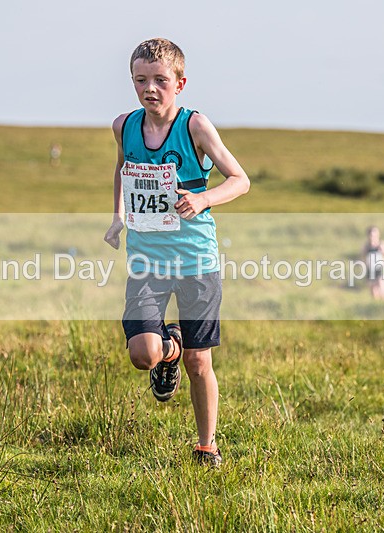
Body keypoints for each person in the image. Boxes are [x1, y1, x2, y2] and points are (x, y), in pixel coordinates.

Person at [103, 38, 250, 467]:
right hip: (147, 258)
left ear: (180, 83)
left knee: (199, 361)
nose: (150, 89)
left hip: (196, 259)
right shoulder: (124, 126)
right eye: (140, 80)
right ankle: (168, 348)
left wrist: (204, 200)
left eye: (160, 81)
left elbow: (240, 180)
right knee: (142, 354)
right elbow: (122, 169)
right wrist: (117, 217)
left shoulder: (196, 128)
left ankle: (207, 447)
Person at [362, 226, 384, 300]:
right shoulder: (366, 247)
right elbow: (363, 258)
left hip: (380, 268)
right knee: (374, 292)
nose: (373, 237)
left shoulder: (383, 244)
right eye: (371, 235)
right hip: (371, 270)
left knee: (382, 288)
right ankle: (377, 307)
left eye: (375, 235)